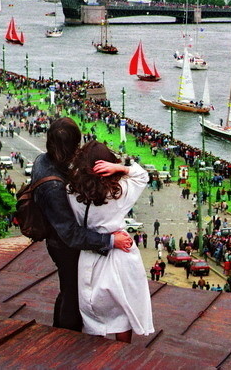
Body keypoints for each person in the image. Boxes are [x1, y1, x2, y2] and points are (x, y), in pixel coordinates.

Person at [33, 117, 132, 333]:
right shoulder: (53, 186)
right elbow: (70, 234)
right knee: (75, 294)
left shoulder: (43, 160)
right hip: (64, 245)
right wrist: (110, 240)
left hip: (56, 239)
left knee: (68, 289)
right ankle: (70, 338)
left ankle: (60, 330)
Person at [66, 140, 154, 343]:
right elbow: (143, 176)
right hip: (119, 253)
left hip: (89, 252)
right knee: (122, 312)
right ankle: (122, 351)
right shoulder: (120, 190)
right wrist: (121, 168)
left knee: (92, 310)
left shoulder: (71, 190)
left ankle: (97, 352)